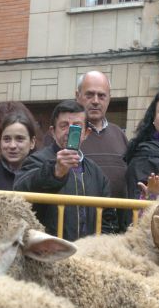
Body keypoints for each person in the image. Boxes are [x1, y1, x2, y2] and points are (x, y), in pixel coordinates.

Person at [14, 100, 117, 241]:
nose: (69, 131)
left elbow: (108, 218)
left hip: (89, 254)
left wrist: (99, 248)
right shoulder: (36, 161)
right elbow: (20, 191)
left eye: (76, 126)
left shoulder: (97, 172)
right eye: (64, 125)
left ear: (86, 133)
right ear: (53, 132)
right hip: (49, 251)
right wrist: (54, 172)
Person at [76, 71, 130, 230]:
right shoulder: (66, 135)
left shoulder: (119, 134)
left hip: (116, 228)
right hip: (81, 229)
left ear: (109, 99)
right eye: (89, 95)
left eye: (101, 96)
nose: (95, 101)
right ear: (77, 96)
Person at [0, 112, 38, 190]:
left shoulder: (41, 176)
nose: (12, 145)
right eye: (7, 139)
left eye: (19, 139)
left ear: (32, 142)